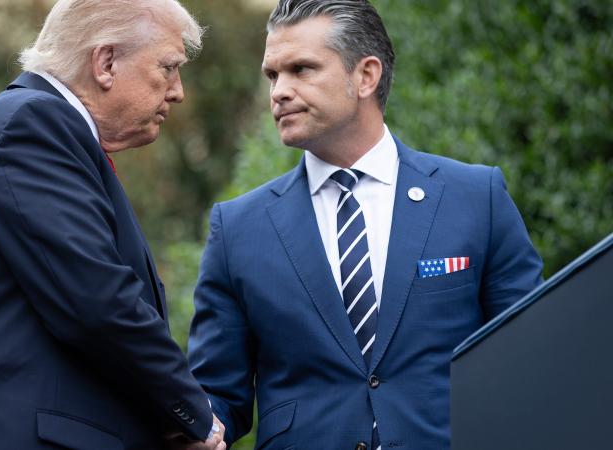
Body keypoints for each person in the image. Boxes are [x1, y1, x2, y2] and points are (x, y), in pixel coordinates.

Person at [187, 1, 543, 449]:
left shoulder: (476, 198)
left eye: (301, 69)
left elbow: (532, 353)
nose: (278, 91)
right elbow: (218, 393)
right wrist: (194, 428)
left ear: (366, 76)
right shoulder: (237, 228)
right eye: (273, 75)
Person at [0, 1, 225, 449]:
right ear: (105, 62)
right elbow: (98, 301)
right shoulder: (33, 124)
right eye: (168, 67)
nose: (178, 91)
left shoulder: (35, 128)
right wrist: (196, 417)